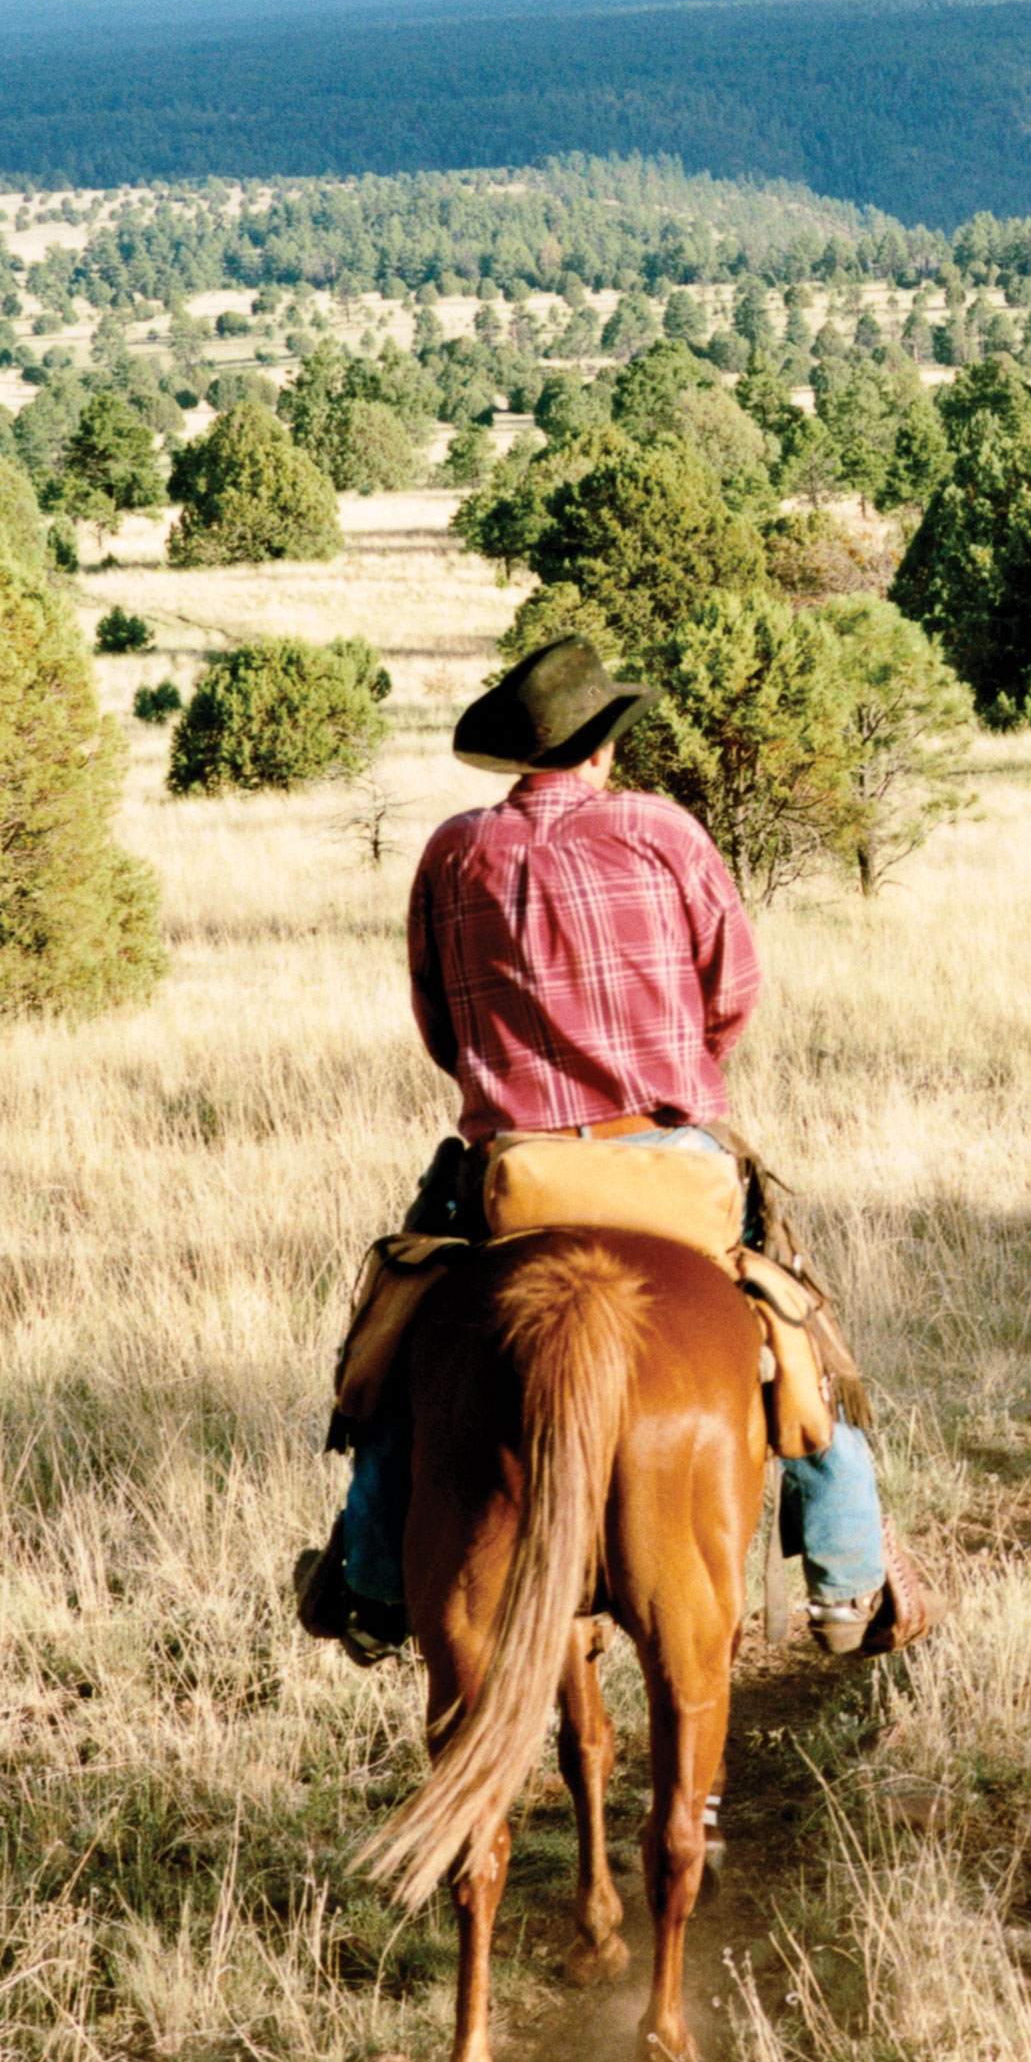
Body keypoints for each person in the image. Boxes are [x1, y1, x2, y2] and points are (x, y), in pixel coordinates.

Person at [295, 636, 930, 1663]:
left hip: (517, 1175)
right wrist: (675, 1072)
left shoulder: (454, 851)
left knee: (399, 1353)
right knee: (799, 1332)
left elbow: (438, 1023)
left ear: (519, 753)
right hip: (672, 1160)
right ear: (601, 745)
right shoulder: (662, 830)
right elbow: (732, 990)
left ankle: (369, 1582)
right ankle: (848, 1578)